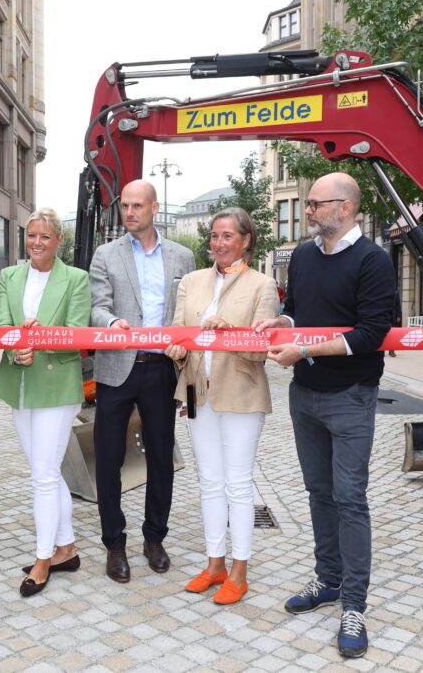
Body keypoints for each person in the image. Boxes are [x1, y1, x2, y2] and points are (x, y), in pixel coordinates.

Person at [253, 172, 395, 658]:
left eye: (315, 203)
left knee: (349, 498)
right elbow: (301, 311)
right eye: (308, 203)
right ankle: (328, 579)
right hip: (306, 394)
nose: (308, 210)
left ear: (345, 208)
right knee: (318, 493)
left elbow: (371, 333)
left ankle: (354, 605)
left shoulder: (374, 261)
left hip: (351, 396)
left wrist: (305, 349)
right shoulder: (303, 256)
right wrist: (282, 321)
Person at [163, 207, 278, 605]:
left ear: (246, 240)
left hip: (242, 394)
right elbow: (178, 333)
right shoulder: (191, 281)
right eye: (214, 235)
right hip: (198, 393)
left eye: (228, 236)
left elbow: (262, 350)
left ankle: (239, 571)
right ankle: (215, 565)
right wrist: (177, 350)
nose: (219, 243)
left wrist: (231, 333)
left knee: (238, 484)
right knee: (209, 481)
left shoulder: (263, 285)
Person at [89, 179, 196, 583]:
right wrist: (111, 322)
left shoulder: (182, 257)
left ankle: (154, 538)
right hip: (116, 367)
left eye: (137, 206)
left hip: (161, 369)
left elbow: (189, 313)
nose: (129, 212)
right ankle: (114, 544)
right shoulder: (105, 254)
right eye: (125, 206)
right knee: (108, 458)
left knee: (161, 458)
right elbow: (96, 306)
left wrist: (186, 374)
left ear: (155, 208)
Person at [0, 208, 91, 597]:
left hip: (56, 385)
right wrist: (17, 348)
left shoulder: (75, 279)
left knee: (44, 474)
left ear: (58, 241)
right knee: (43, 471)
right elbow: (2, 327)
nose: (36, 242)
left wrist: (41, 336)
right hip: (20, 383)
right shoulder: (9, 276)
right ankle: (67, 549)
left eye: (45, 236)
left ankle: (43, 558)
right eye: (31, 235)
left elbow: (77, 332)